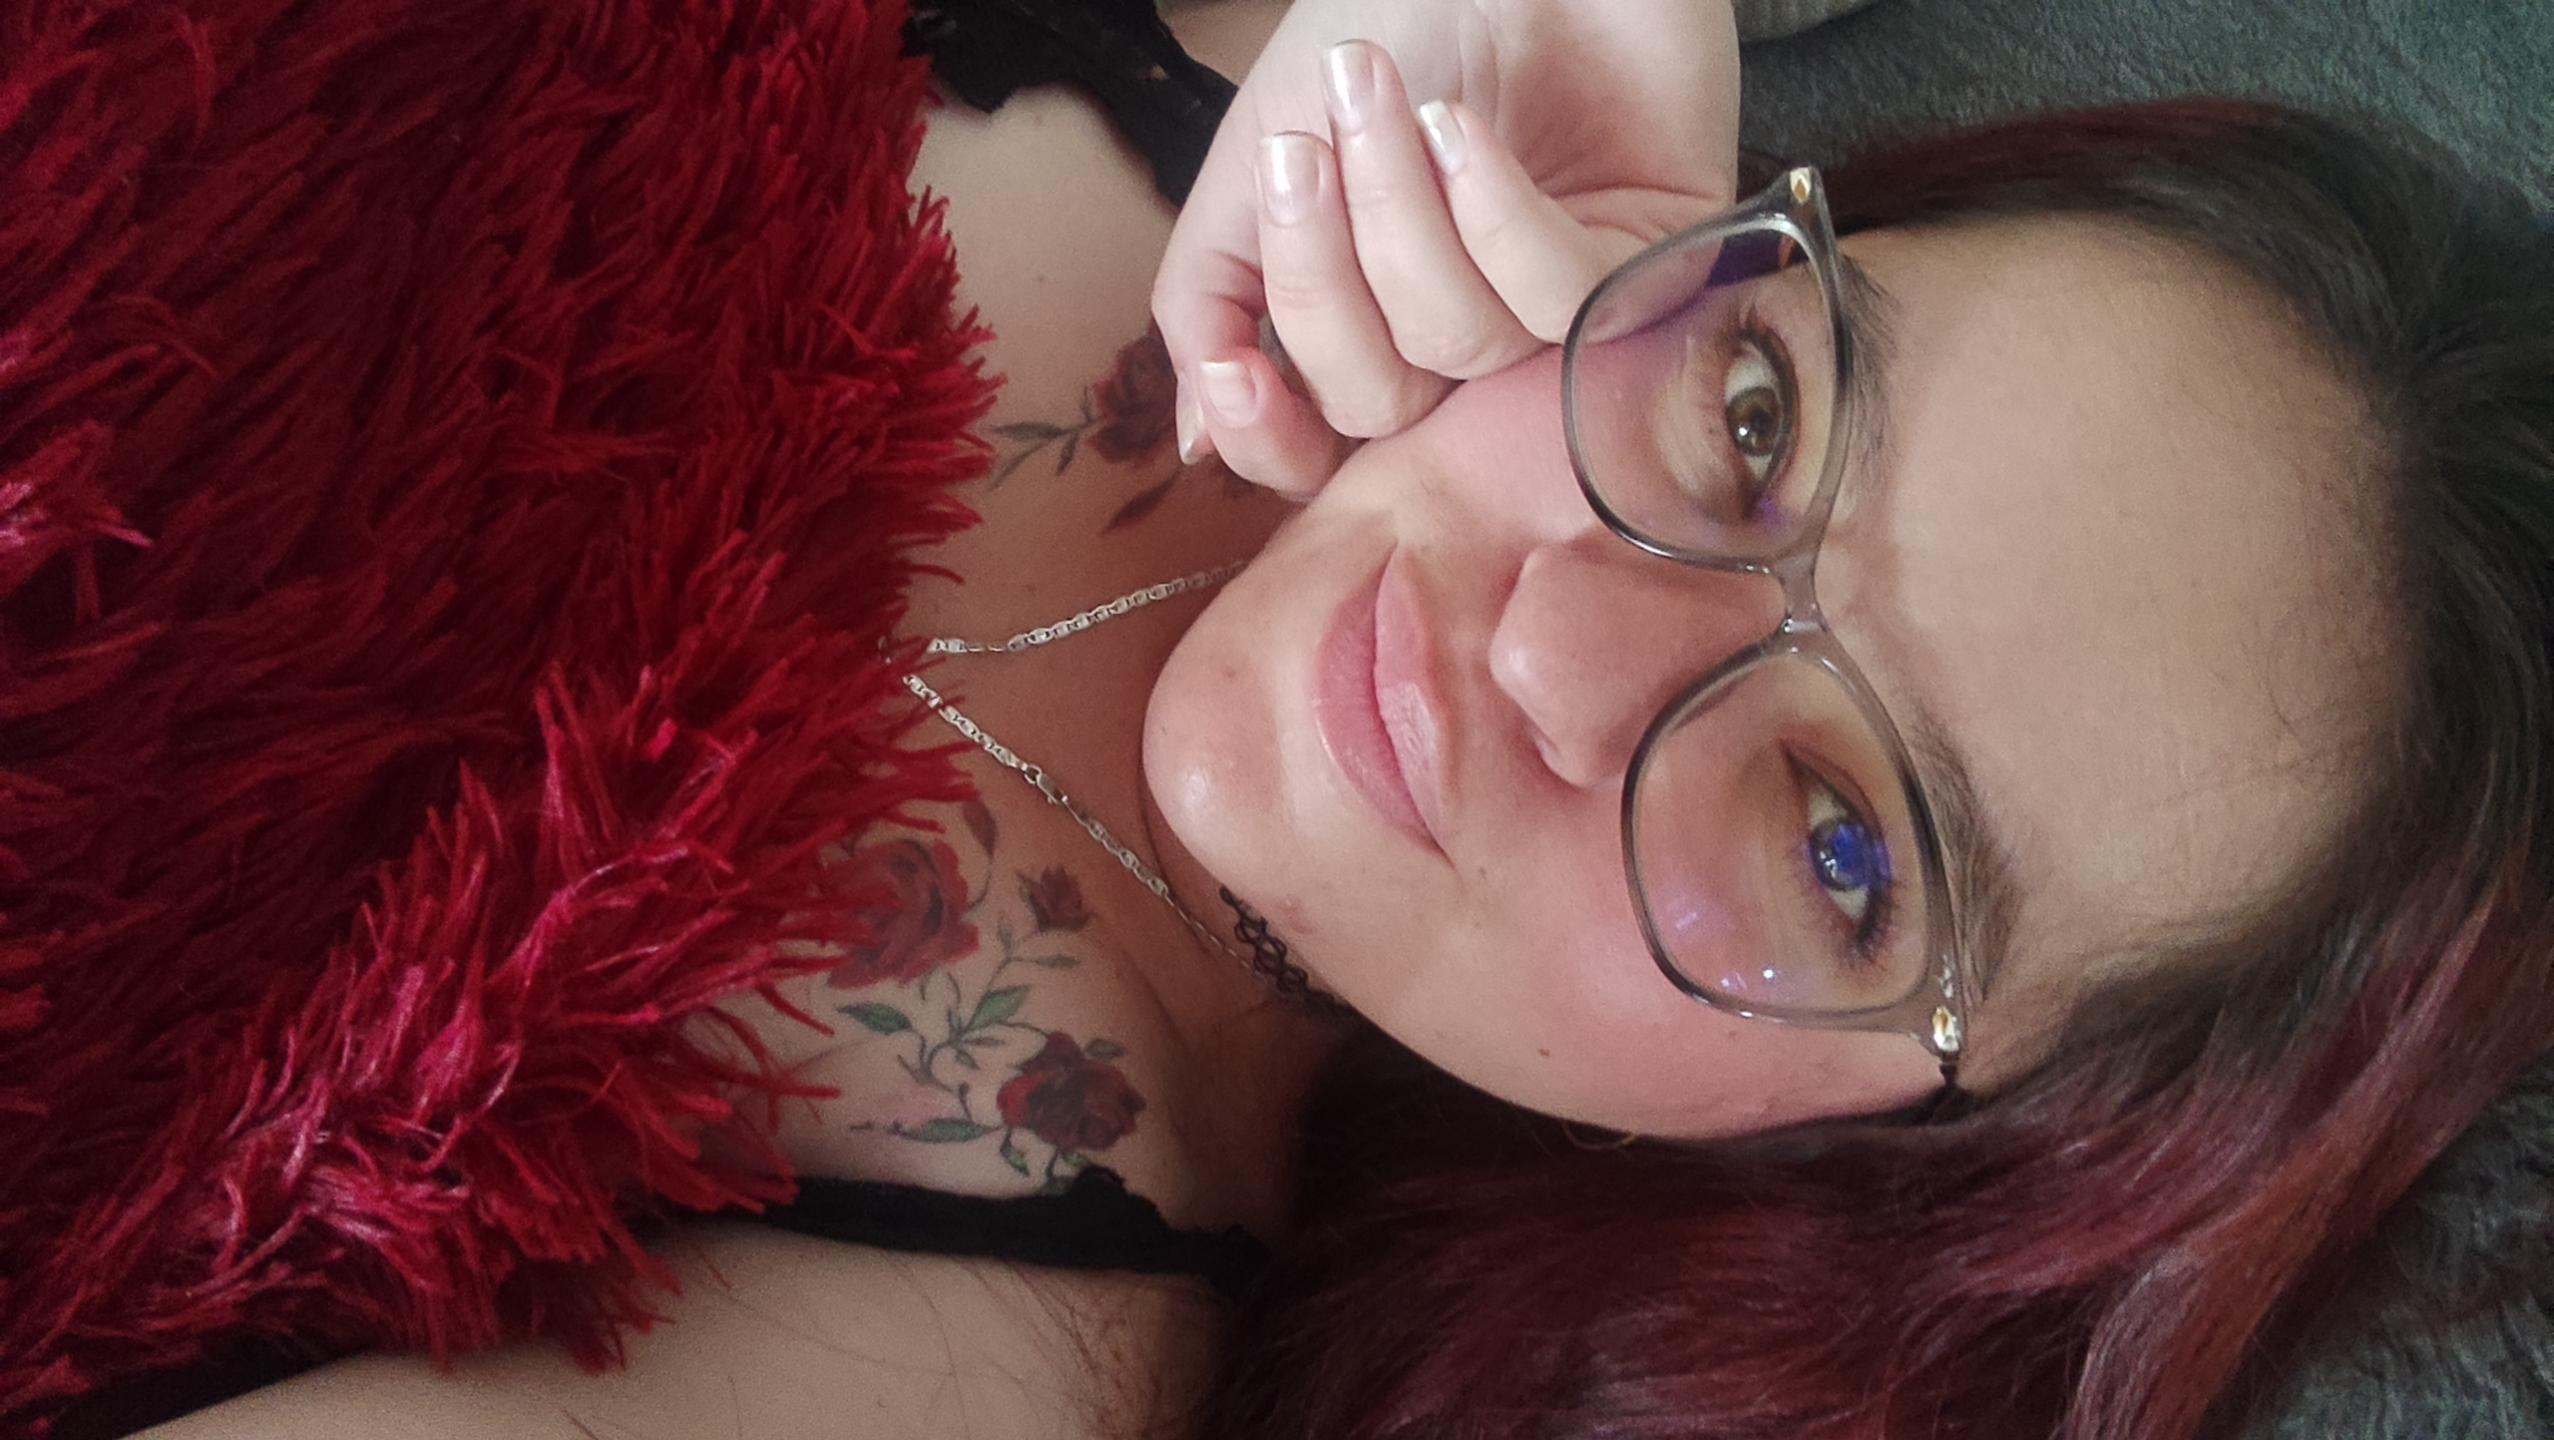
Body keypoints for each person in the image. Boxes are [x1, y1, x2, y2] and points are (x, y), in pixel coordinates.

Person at [144, 0, 2554, 1436]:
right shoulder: (1327, 91)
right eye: (1755, 413)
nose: (1557, 652)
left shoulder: (944, 1364)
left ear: (1918, 1139)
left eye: (1840, 842)